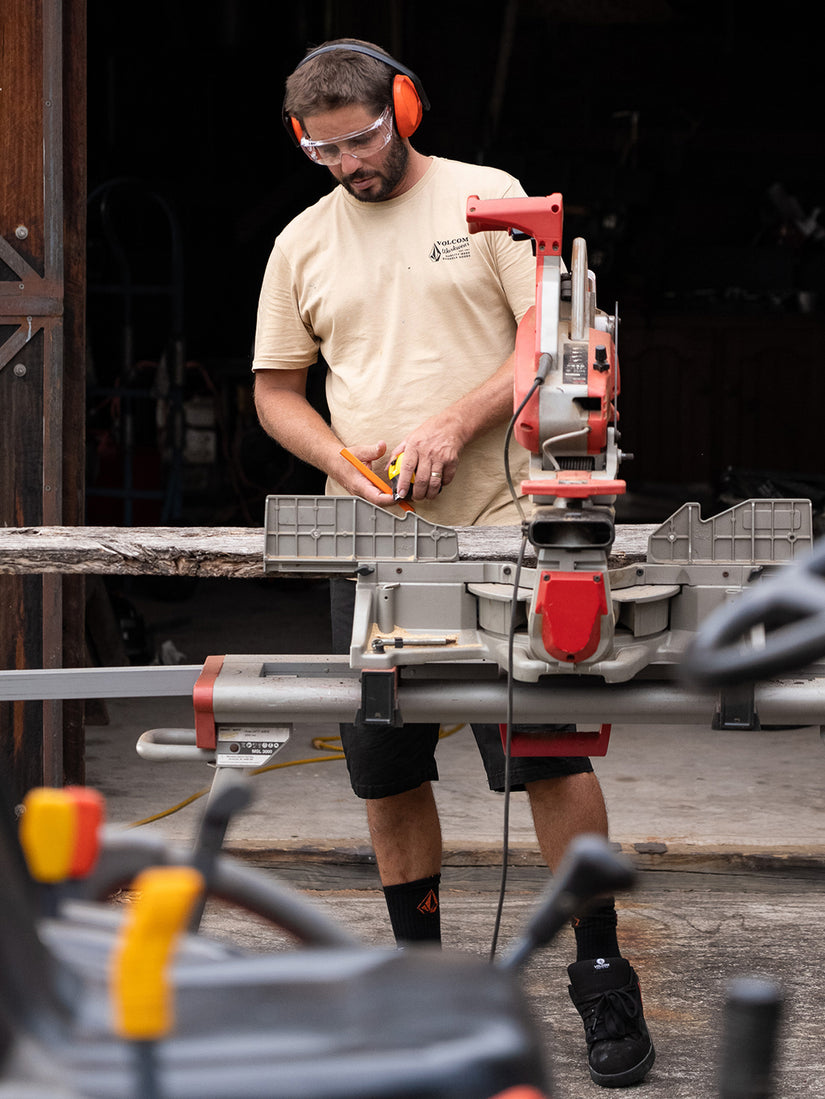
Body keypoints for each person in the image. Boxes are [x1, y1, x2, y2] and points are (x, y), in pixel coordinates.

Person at [252, 38, 654, 1089]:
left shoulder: (491, 201)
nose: (351, 166)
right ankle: (422, 991)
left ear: (407, 108)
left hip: (509, 532)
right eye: (325, 151)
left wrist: (453, 422)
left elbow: (545, 339)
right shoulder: (301, 243)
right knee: (388, 773)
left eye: (365, 139)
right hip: (377, 547)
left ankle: (603, 976)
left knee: (551, 761)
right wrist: (340, 458)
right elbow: (276, 390)